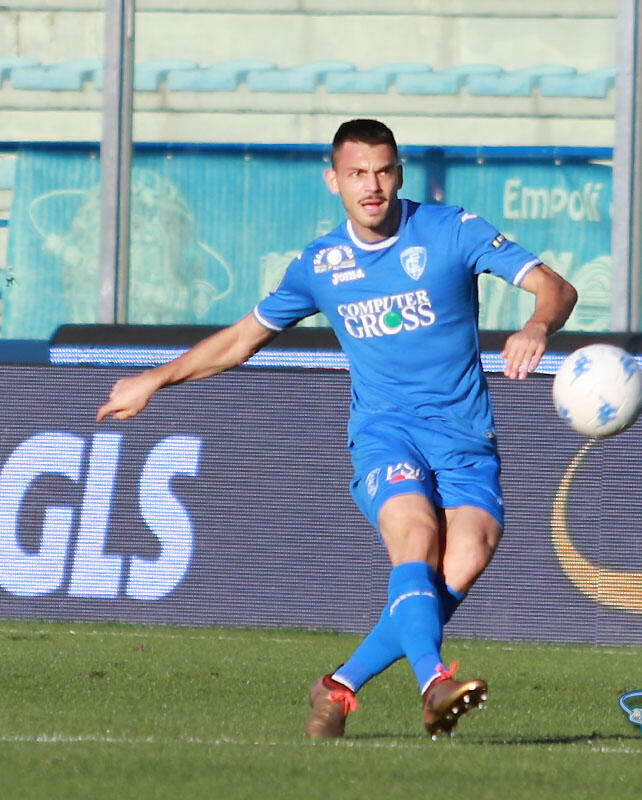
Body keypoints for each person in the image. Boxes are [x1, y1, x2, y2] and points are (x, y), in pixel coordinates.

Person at [96, 118, 578, 740]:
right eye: (356, 174)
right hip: (386, 433)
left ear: (399, 175)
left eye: (382, 172)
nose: (371, 186)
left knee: (463, 563)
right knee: (417, 537)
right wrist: (155, 379)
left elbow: (555, 288)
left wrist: (537, 325)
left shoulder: (451, 230)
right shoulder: (320, 264)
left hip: (464, 439)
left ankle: (339, 687)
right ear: (334, 181)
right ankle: (434, 684)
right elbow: (243, 339)